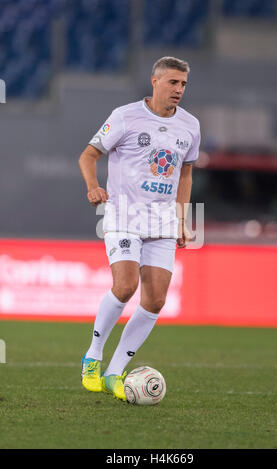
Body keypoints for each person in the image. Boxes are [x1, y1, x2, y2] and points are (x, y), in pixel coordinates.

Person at [78, 56, 201, 401]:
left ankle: (114, 373)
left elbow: (186, 173)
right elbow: (88, 155)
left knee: (156, 299)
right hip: (123, 214)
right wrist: (92, 187)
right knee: (126, 285)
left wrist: (182, 219)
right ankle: (93, 355)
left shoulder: (190, 125)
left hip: (162, 220)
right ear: (155, 81)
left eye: (184, 84)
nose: (179, 90)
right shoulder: (125, 116)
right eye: (173, 82)